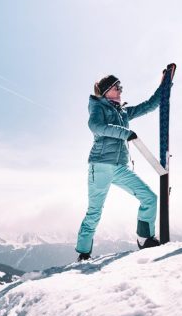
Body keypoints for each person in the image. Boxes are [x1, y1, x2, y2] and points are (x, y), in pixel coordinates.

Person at [75, 65, 175, 262]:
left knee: (150, 198)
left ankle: (144, 238)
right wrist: (125, 133)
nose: (120, 90)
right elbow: (96, 126)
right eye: (116, 87)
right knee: (94, 211)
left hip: (120, 167)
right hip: (101, 165)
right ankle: (83, 253)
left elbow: (149, 105)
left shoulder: (123, 112)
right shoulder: (98, 107)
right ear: (106, 92)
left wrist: (165, 85)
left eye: (121, 87)